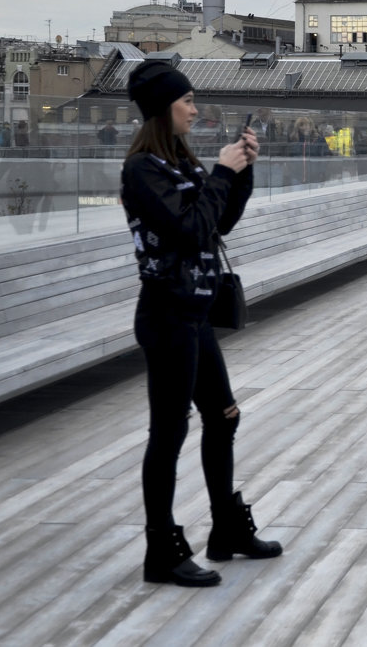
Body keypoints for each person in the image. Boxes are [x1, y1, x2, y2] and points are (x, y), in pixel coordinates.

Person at [120, 59, 281, 588]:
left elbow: (218, 223)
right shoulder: (143, 169)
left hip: (194, 314)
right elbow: (188, 230)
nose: (195, 108)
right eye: (187, 100)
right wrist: (222, 174)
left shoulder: (180, 162)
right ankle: (161, 550)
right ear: (164, 108)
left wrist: (242, 173)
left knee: (224, 416)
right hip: (166, 315)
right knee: (167, 433)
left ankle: (227, 530)